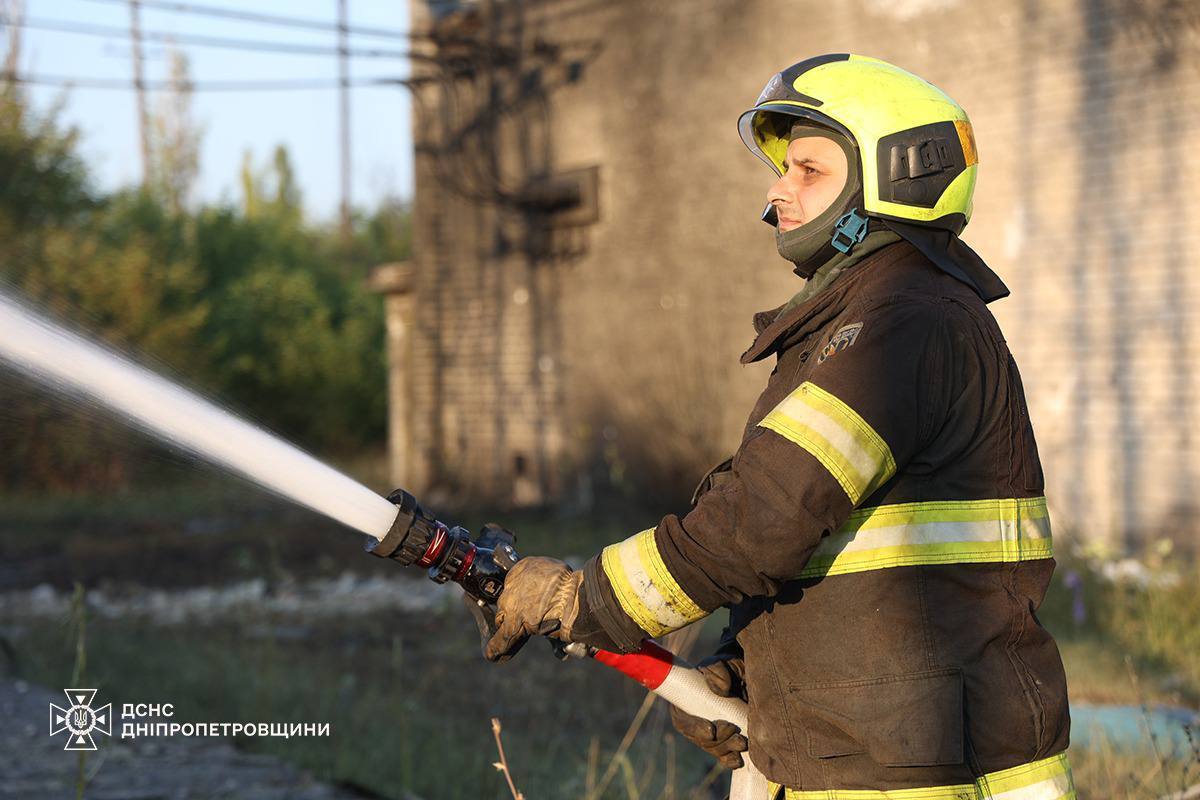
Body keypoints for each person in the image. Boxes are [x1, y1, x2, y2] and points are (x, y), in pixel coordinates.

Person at [483, 54, 1074, 799]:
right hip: (877, 752)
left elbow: (767, 514)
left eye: (809, 171)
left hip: (931, 770)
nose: (777, 188)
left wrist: (588, 600)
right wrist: (744, 674)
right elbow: (845, 555)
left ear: (891, 180)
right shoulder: (860, 323)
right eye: (784, 170)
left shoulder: (905, 324)